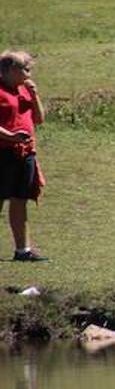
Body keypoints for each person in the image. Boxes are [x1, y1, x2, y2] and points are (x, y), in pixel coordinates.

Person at [0, 52, 46, 261]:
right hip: (3, 153)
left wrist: (34, 95)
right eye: (24, 69)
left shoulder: (25, 90)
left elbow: (39, 119)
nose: (29, 74)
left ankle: (23, 250)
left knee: (20, 200)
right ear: (9, 70)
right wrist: (10, 136)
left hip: (24, 153)